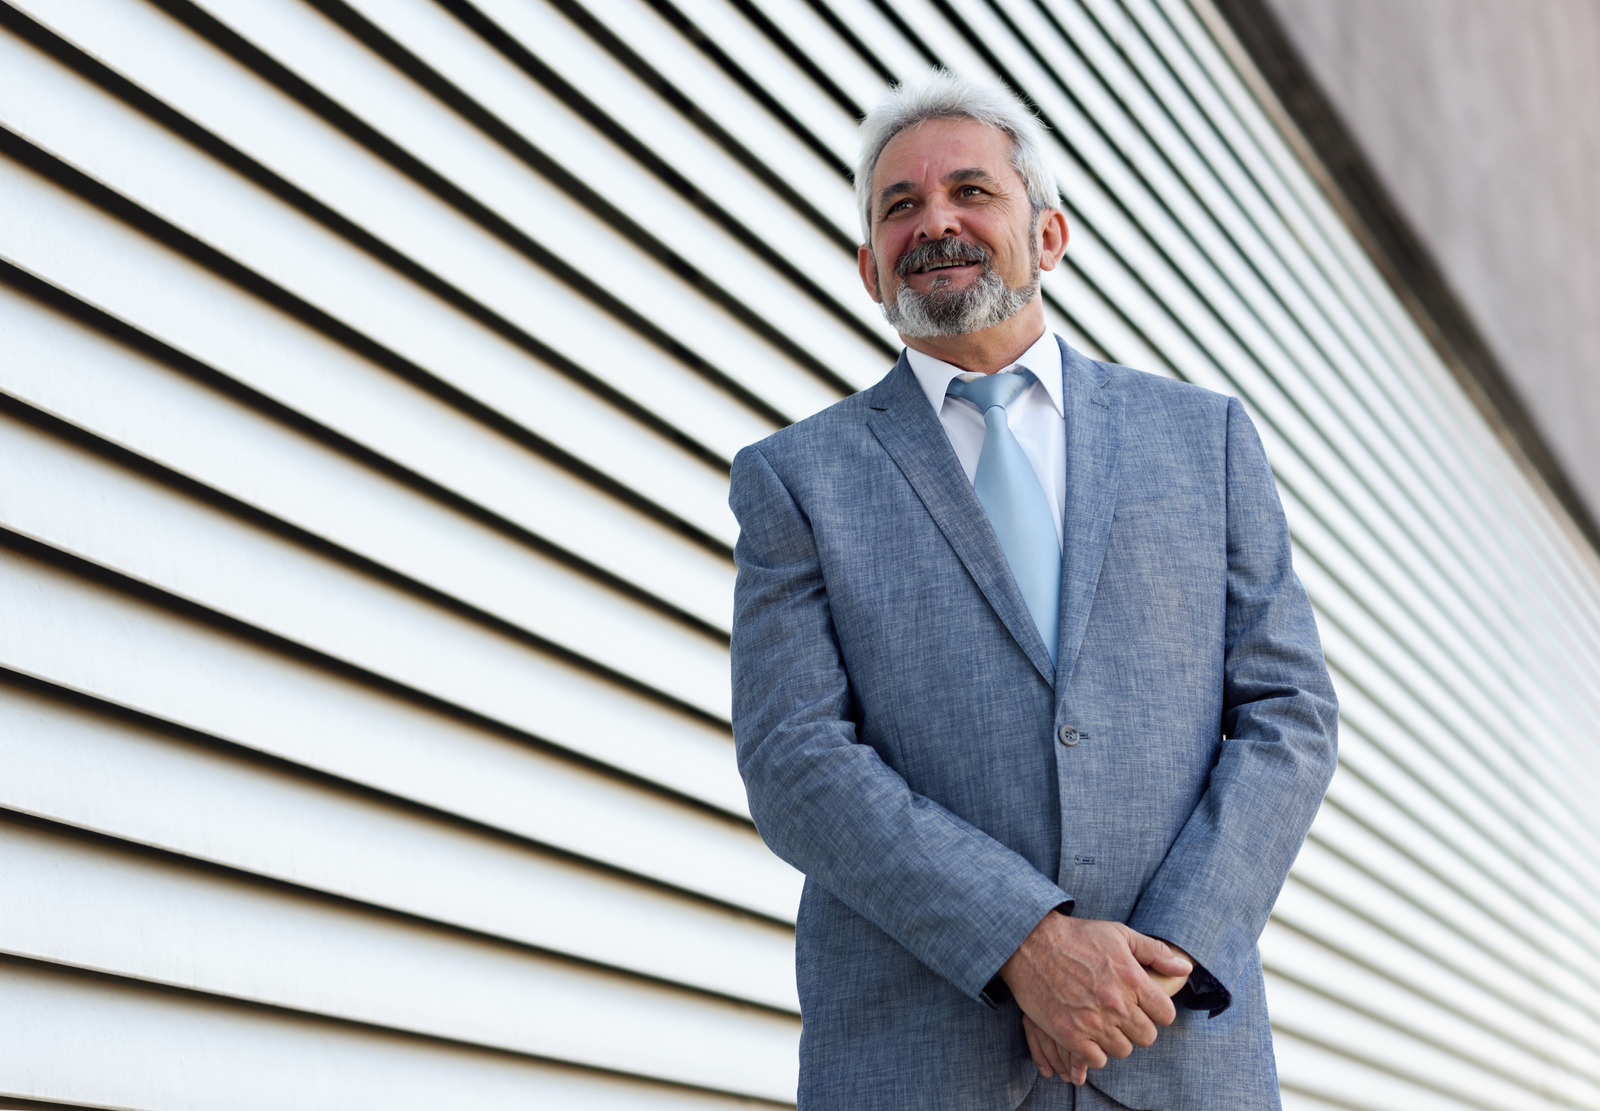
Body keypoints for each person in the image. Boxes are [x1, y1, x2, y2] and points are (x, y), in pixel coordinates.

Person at [728, 69, 1338, 1110]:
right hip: (920, 1065)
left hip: (1176, 1051)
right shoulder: (797, 479)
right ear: (869, 268)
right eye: (899, 206)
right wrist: (1024, 941)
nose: (935, 222)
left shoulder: (1207, 440)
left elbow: (1288, 714)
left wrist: (1158, 957)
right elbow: (796, 759)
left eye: (971, 191)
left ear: (1048, 235)